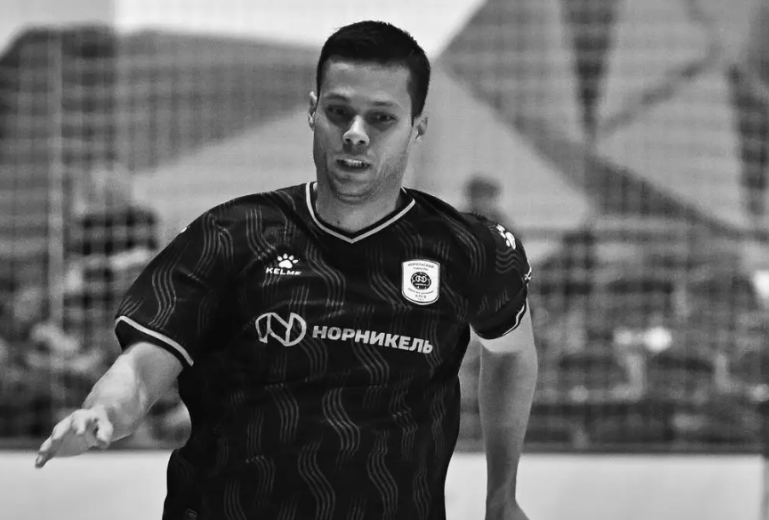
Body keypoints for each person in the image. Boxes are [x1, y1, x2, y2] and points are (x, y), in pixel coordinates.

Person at [35, 20, 537, 520]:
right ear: (313, 111)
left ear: (417, 125)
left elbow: (512, 352)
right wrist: (104, 411)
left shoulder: (469, 249)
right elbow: (143, 368)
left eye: (381, 118)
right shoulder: (230, 234)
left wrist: (502, 495)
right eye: (338, 112)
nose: (355, 134)